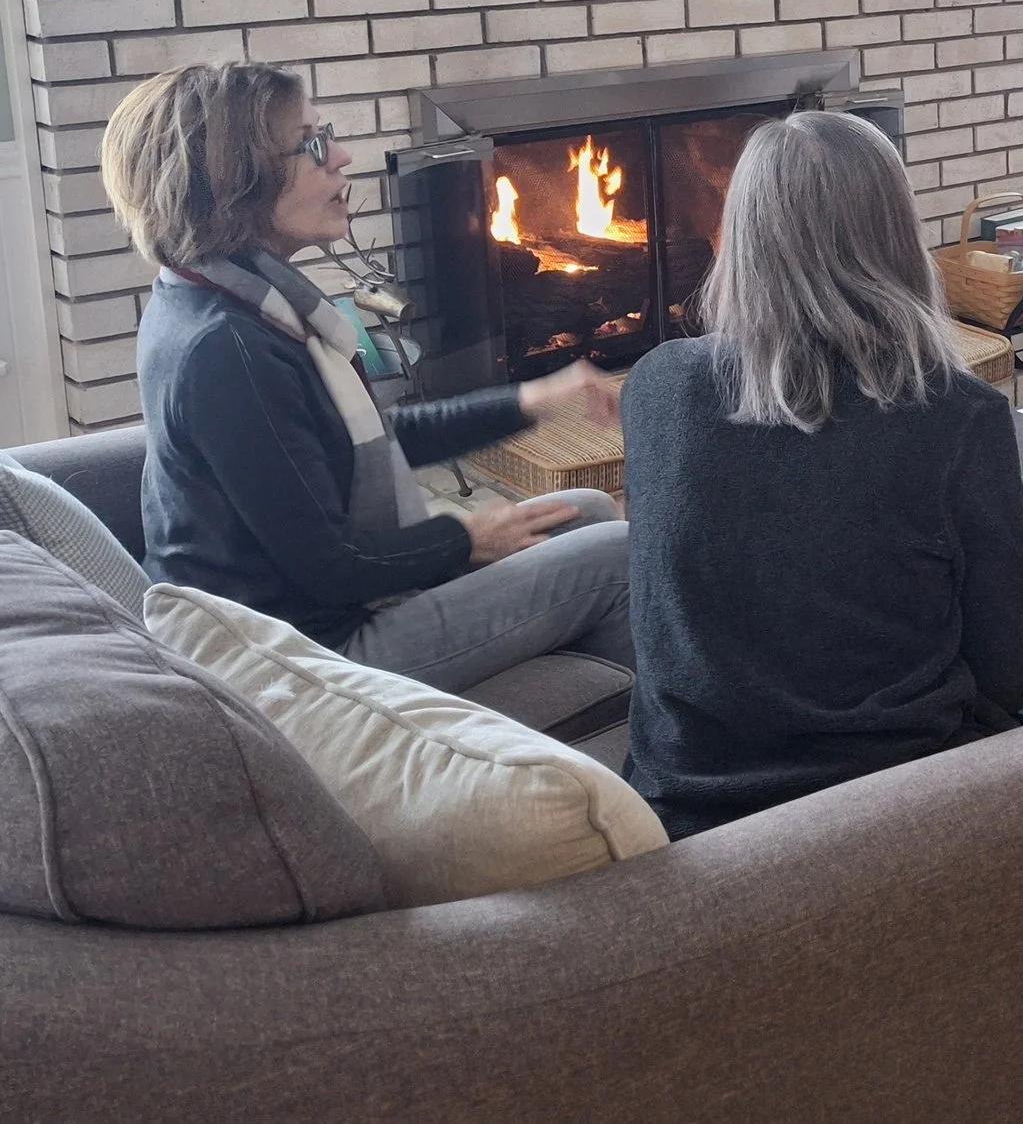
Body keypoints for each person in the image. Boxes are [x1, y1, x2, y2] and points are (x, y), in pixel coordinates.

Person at [102, 63, 634, 691]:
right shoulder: (228, 350)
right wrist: (464, 538)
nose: (344, 157)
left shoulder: (233, 299)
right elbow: (332, 567)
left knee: (589, 510)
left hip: (320, 613)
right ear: (232, 182)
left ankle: (582, 708)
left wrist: (533, 398)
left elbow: (370, 442)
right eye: (313, 145)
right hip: (300, 656)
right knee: (617, 555)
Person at [622, 111, 1023, 839]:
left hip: (688, 808)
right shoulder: (957, 414)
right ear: (894, 235)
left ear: (743, 234)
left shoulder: (655, 386)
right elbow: (1009, 675)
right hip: (886, 810)